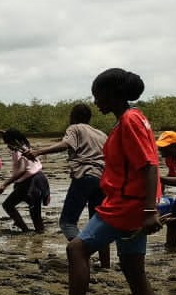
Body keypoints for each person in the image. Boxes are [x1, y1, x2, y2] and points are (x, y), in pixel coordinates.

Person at [51, 68, 166, 295]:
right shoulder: (131, 120)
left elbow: (150, 165)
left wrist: (150, 211)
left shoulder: (129, 121)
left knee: (76, 248)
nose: (95, 100)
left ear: (113, 93)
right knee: (132, 269)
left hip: (126, 206)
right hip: (131, 204)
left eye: (97, 94)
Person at [24, 104, 111, 266]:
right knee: (98, 224)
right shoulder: (101, 134)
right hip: (103, 179)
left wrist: (38, 152)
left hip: (85, 175)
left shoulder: (75, 128)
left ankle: (82, 252)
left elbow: (66, 145)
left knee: (67, 222)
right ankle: (105, 265)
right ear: (89, 118)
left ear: (73, 116)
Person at [0, 129, 49, 233]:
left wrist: (4, 184)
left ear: (14, 141)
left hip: (31, 182)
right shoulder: (24, 145)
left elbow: (22, 170)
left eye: (8, 143)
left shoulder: (19, 152)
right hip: (39, 179)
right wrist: (2, 132)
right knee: (34, 209)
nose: (7, 146)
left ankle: (26, 230)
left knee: (8, 205)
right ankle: (37, 231)